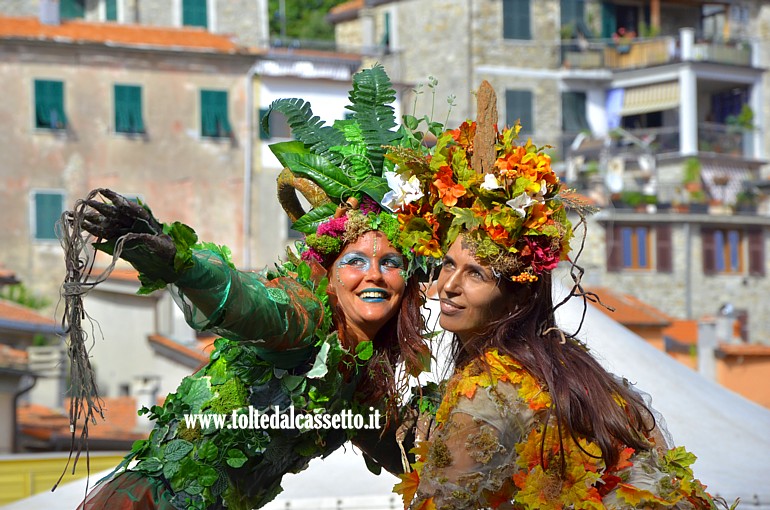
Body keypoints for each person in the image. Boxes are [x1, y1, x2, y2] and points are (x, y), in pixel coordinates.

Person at [67, 65, 440, 510]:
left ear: (410, 281)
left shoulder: (359, 382)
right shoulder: (306, 318)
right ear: (331, 273)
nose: (374, 275)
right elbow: (254, 304)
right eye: (356, 261)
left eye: (391, 263)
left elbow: (414, 456)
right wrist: (179, 263)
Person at [385, 82, 726, 509]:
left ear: (516, 298)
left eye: (477, 274)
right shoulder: (573, 365)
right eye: (449, 264)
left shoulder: (483, 388)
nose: (450, 285)